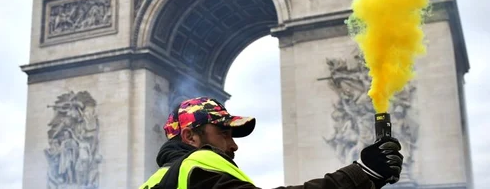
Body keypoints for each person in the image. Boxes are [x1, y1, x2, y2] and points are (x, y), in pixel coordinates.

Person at [139, 97, 403, 189]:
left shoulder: (153, 182)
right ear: (190, 137)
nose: (234, 146)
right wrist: (361, 175)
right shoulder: (198, 167)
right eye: (224, 133)